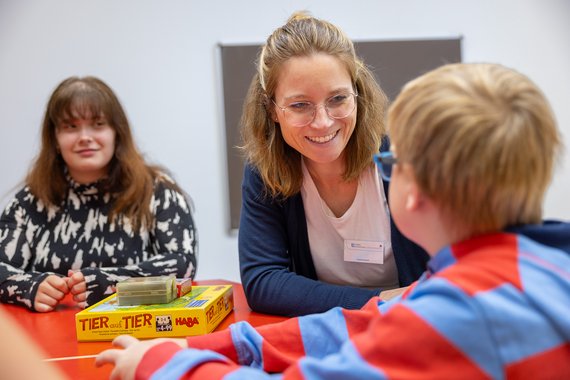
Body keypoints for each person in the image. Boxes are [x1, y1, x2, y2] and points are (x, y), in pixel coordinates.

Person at [96, 62, 570, 378]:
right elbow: (359, 323)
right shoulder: (519, 269)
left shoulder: (458, 315)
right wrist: (225, 347)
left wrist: (162, 362)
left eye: (394, 162)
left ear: (416, 193)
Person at [238, 11, 429, 316]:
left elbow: (461, 266)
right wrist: (380, 302)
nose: (323, 122)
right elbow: (263, 282)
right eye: (300, 105)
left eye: (338, 99)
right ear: (271, 109)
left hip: (411, 329)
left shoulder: (406, 160)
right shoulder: (265, 172)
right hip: (331, 332)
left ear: (357, 94)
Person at [0, 76, 198, 312]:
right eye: (70, 126)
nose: (85, 137)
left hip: (135, 335)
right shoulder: (29, 202)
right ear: (54, 138)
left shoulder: (158, 191)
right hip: (46, 343)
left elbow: (182, 264)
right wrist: (28, 287)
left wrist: (111, 282)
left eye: (98, 124)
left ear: (117, 132)